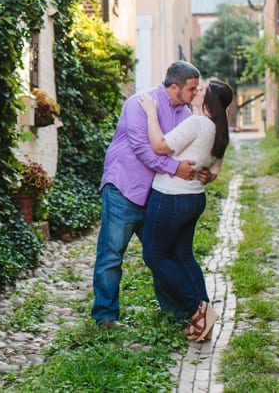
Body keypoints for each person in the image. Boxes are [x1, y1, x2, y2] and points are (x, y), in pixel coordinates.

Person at [91, 61, 212, 328]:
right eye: (191, 89)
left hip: (158, 198)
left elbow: (188, 152)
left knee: (161, 255)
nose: (195, 94)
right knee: (111, 255)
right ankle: (105, 316)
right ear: (173, 87)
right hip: (124, 189)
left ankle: (175, 313)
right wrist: (175, 168)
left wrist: (201, 172)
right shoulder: (139, 104)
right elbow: (142, 149)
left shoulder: (185, 115)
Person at [139, 78, 234, 342]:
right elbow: (213, 171)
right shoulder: (219, 129)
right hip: (193, 198)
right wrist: (206, 174)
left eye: (201, 90)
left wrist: (150, 111)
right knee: (183, 256)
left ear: (209, 100)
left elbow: (160, 147)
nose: (196, 91)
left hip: (171, 196)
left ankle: (196, 309)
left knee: (154, 256)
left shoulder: (198, 123)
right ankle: (204, 319)